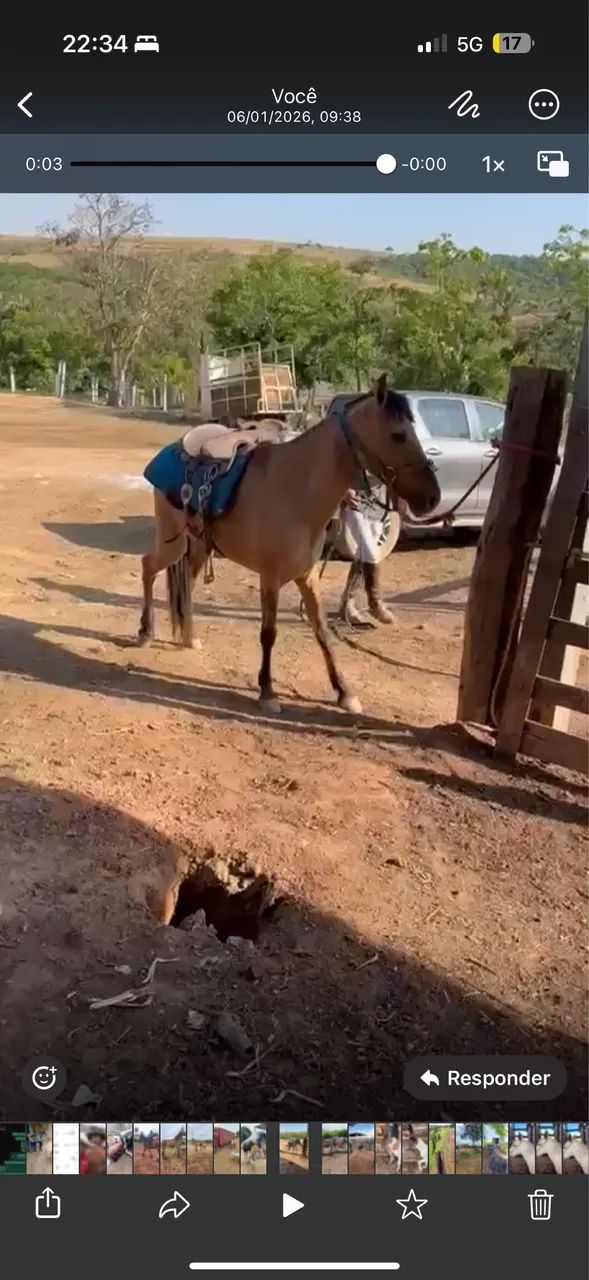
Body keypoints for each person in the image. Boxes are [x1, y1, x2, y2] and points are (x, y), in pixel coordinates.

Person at [337, 489, 394, 626]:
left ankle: (347, 603)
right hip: (356, 503)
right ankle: (374, 603)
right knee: (370, 554)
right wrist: (344, 489)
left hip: (379, 506)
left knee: (363, 554)